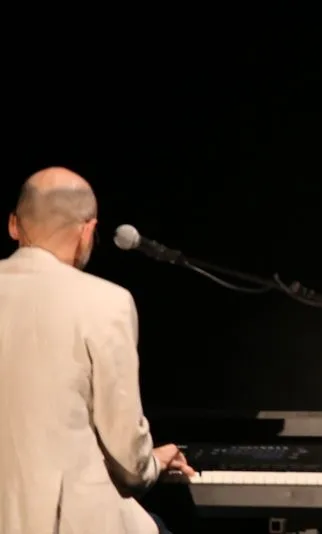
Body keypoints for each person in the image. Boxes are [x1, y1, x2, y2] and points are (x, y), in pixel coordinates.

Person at [0, 167, 195, 534]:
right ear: (88, 231)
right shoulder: (106, 302)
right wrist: (153, 462)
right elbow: (127, 454)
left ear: (13, 225)